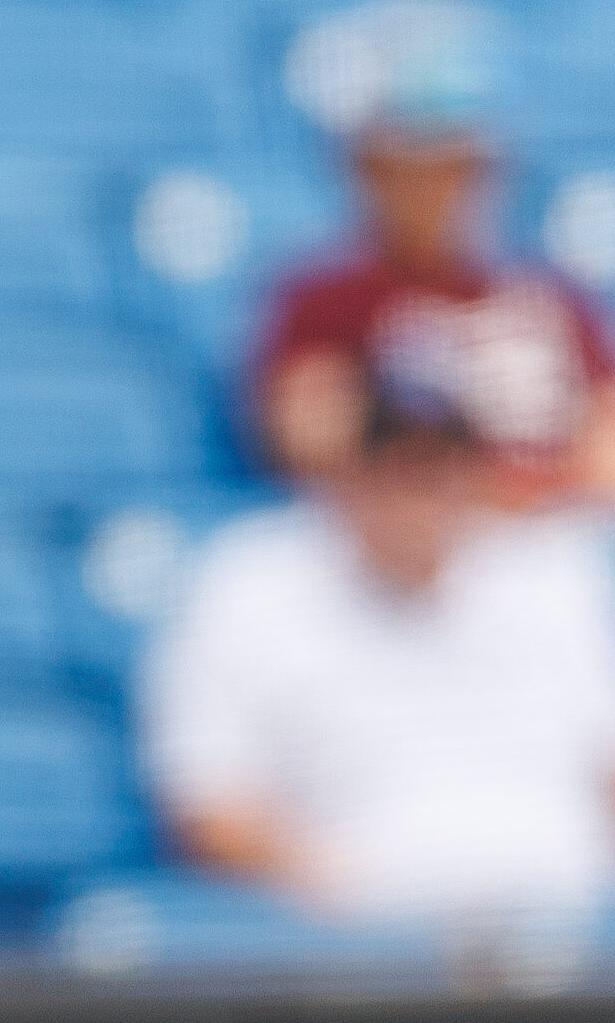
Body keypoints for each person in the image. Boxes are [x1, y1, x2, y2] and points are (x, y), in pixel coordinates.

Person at [144, 387, 615, 924]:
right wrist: (329, 893)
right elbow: (208, 804)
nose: (418, 501)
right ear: (348, 478)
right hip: (360, 928)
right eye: (396, 473)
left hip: (568, 912)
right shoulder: (248, 578)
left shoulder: (548, 570)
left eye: (438, 473)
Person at [254, 86, 615, 509]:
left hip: (542, 537)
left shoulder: (548, 296)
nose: (432, 190)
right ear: (368, 174)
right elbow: (306, 443)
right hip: (383, 547)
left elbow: (606, 448)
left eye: (453, 169)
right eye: (408, 170)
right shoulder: (326, 298)